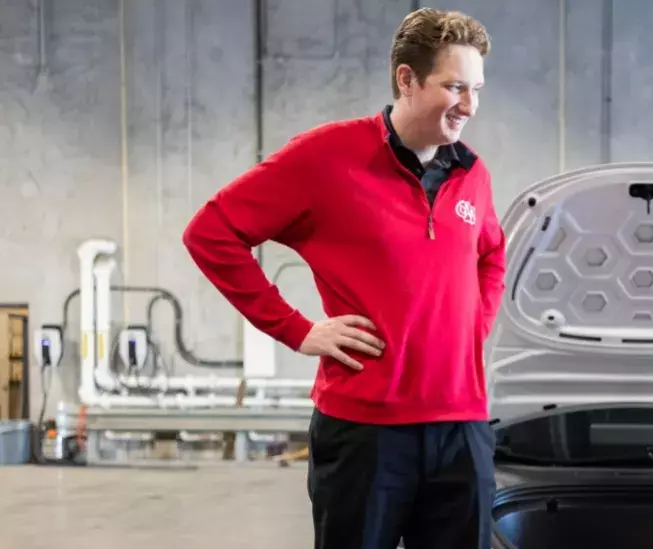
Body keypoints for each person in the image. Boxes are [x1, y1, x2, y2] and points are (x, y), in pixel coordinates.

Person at [181, 8, 505, 549]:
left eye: (476, 89)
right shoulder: (325, 158)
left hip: (462, 428)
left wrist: (474, 324)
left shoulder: (473, 173)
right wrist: (297, 329)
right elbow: (211, 233)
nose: (469, 106)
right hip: (365, 433)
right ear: (407, 78)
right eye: (454, 87)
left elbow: (492, 255)